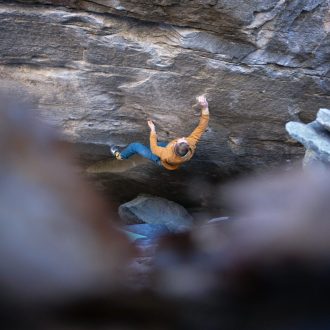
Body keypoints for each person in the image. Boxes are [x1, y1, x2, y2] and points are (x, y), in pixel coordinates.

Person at [110, 95, 209, 170]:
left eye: (180, 140)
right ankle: (144, 149)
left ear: (175, 146)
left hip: (160, 159)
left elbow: (154, 148)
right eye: (184, 140)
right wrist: (205, 107)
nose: (183, 137)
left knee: (135, 146)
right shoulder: (191, 144)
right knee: (159, 144)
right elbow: (201, 127)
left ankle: (121, 156)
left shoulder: (166, 153)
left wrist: (153, 130)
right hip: (171, 157)